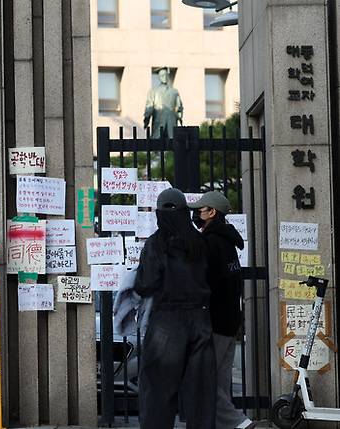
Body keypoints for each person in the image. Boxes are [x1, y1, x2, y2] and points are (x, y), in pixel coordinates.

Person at [134, 188, 216, 428]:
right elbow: (214, 280)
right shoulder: (200, 242)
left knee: (158, 391)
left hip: (167, 320)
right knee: (201, 394)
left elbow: (146, 284)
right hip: (201, 317)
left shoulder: (157, 243)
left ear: (160, 213)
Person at [189, 191, 254, 429]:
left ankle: (239, 422)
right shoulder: (228, 241)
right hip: (230, 321)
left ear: (212, 212)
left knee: (204, 380)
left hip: (215, 322)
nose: (196, 214)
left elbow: (205, 282)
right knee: (220, 380)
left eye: (200, 209)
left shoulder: (209, 242)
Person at [143, 67, 184, 139]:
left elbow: (179, 106)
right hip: (158, 121)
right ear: (159, 77)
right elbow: (149, 106)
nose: (164, 77)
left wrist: (179, 116)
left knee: (172, 142)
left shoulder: (174, 91)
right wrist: (147, 119)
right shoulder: (153, 91)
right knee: (157, 143)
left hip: (171, 122)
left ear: (168, 76)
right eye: (162, 76)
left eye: (165, 75)